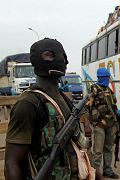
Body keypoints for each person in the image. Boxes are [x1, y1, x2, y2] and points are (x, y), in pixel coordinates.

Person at [4, 38, 102, 180]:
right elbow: (11, 163)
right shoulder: (28, 104)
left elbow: (77, 146)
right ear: (37, 61)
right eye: (49, 55)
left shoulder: (62, 97)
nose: (60, 60)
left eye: (61, 56)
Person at [87, 67, 119, 179]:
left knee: (108, 148)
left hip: (111, 124)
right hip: (100, 124)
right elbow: (88, 106)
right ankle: (95, 173)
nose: (106, 79)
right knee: (98, 151)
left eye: (107, 77)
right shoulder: (94, 89)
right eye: (105, 77)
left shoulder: (109, 91)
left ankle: (107, 170)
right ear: (101, 78)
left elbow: (114, 105)